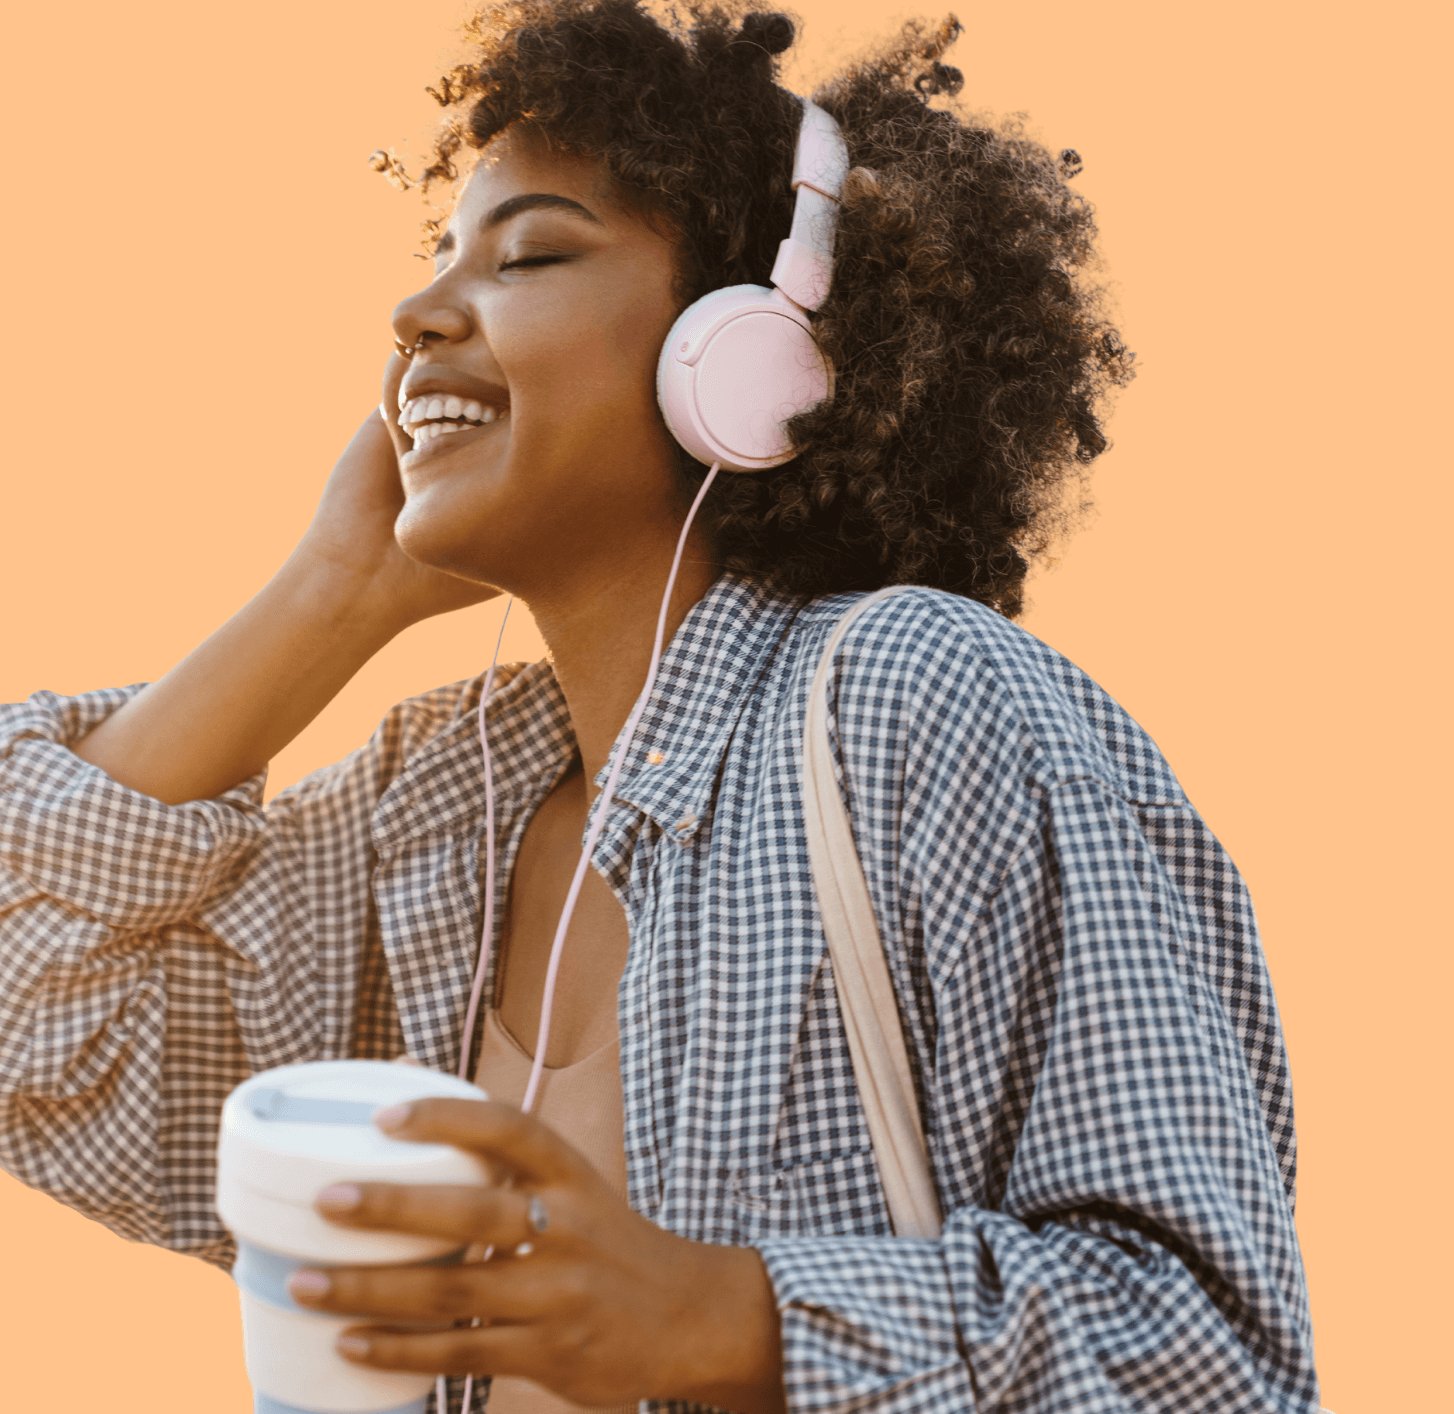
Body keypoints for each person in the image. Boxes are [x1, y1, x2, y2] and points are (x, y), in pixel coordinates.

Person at [0, 2, 1316, 1410]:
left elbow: (1212, 1355)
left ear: (746, 357)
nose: (417, 314)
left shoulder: (914, 703)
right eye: (439, 257)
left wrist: (714, 1318)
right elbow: (35, 1026)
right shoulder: (437, 807)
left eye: (530, 254)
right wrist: (331, 590)